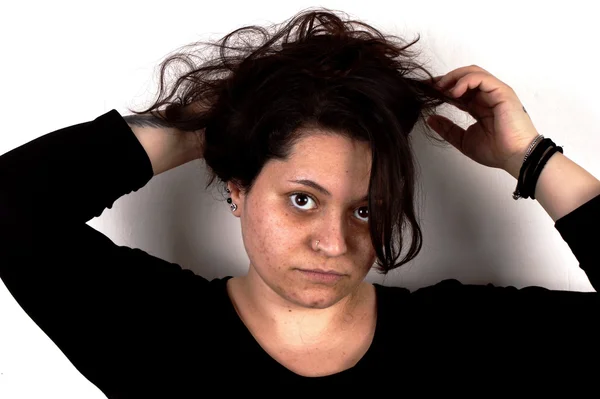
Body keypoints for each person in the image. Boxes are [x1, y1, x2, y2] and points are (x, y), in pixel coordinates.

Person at [1, 8, 599, 396]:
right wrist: (213, 120)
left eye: (366, 209)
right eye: (302, 200)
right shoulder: (155, 334)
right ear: (239, 189)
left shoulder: (469, 345)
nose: (335, 242)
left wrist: (534, 158)